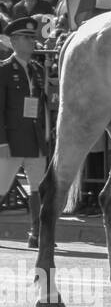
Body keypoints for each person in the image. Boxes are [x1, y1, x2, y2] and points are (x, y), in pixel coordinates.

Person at [0, 17, 48, 248]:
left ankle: (37, 234)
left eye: (32, 37)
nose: (32, 42)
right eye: (26, 38)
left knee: (39, 188)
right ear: (14, 41)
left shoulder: (38, 70)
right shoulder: (4, 70)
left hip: (34, 138)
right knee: (1, 186)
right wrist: (1, 142)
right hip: (11, 139)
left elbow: (42, 106)